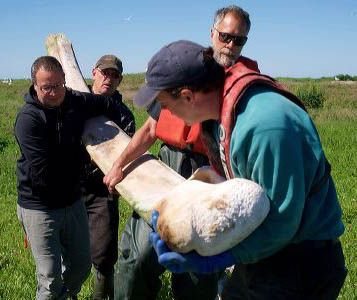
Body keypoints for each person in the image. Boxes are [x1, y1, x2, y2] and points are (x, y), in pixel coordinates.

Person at [134, 40, 348, 299]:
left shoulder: (266, 127)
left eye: (166, 105)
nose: (167, 114)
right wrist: (182, 212)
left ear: (188, 96)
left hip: (300, 263)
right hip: (265, 253)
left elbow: (282, 222)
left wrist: (216, 259)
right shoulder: (215, 118)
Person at [103, 5, 253, 300]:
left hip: (210, 172)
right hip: (165, 166)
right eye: (225, 36)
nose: (231, 45)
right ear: (212, 33)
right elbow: (149, 129)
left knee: (197, 270)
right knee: (136, 258)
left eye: (239, 40)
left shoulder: (240, 84)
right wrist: (120, 164)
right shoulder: (184, 68)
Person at [14, 56, 134, 300]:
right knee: (49, 278)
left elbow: (105, 105)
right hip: (40, 206)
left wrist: (119, 137)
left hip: (72, 201)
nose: (54, 92)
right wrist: (90, 161)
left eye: (58, 85)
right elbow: (45, 174)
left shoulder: (75, 101)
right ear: (34, 86)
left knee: (80, 267)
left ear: (65, 81)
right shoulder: (28, 120)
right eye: (46, 87)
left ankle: (65, 296)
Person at [80, 55, 135, 299]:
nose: (108, 79)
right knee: (64, 250)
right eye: (105, 72)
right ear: (94, 72)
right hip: (70, 189)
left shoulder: (123, 115)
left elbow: (130, 155)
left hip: (103, 192)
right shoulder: (73, 103)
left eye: (115, 75)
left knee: (103, 255)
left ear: (120, 80)